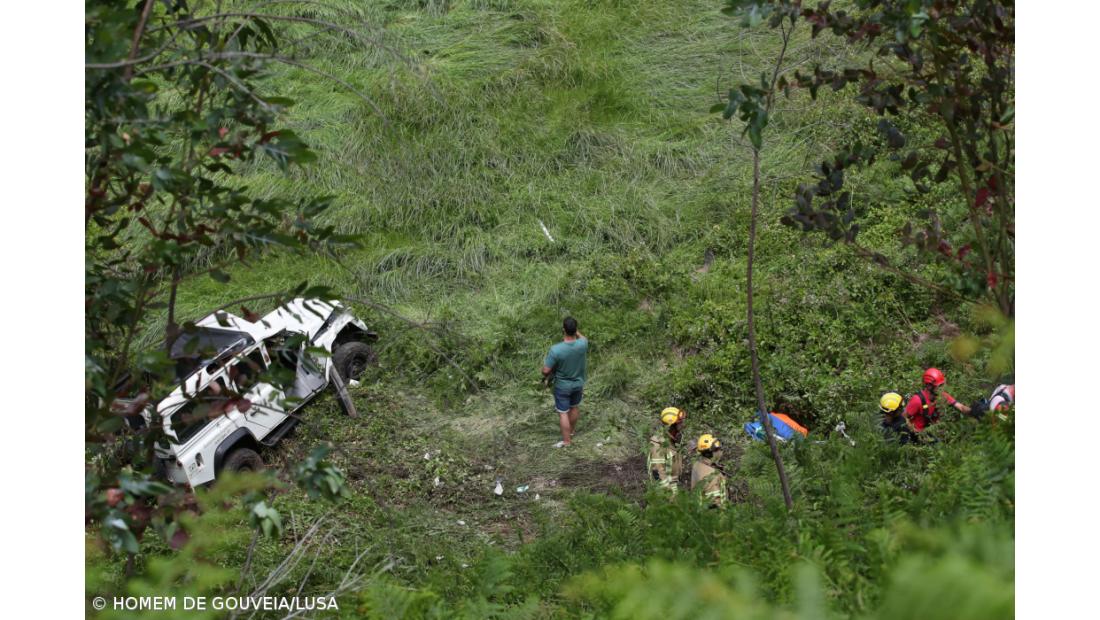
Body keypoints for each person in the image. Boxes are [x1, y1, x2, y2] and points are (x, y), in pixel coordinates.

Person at [541, 317, 588, 448]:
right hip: (578, 384)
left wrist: (544, 372)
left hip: (562, 386)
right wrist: (576, 331)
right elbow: (582, 337)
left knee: (563, 412)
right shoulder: (583, 344)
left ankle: (566, 441)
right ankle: (571, 432)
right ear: (575, 330)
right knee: (574, 407)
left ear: (563, 330)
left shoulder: (556, 350)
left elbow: (545, 371)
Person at [904, 367, 970, 433]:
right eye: (939, 386)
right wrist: (916, 431)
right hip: (918, 435)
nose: (942, 388)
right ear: (929, 386)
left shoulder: (942, 395)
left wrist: (972, 411)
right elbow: (904, 417)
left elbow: (960, 407)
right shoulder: (917, 400)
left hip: (933, 433)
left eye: (942, 385)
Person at [647, 407, 686, 493]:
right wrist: (669, 494)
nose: (683, 425)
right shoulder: (657, 443)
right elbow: (658, 473)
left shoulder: (673, 440)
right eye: (680, 423)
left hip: (674, 488)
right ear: (671, 426)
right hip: (664, 493)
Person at [690, 434, 727, 508]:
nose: (721, 451)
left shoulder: (698, 465)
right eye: (720, 449)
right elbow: (715, 504)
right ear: (713, 452)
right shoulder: (711, 475)